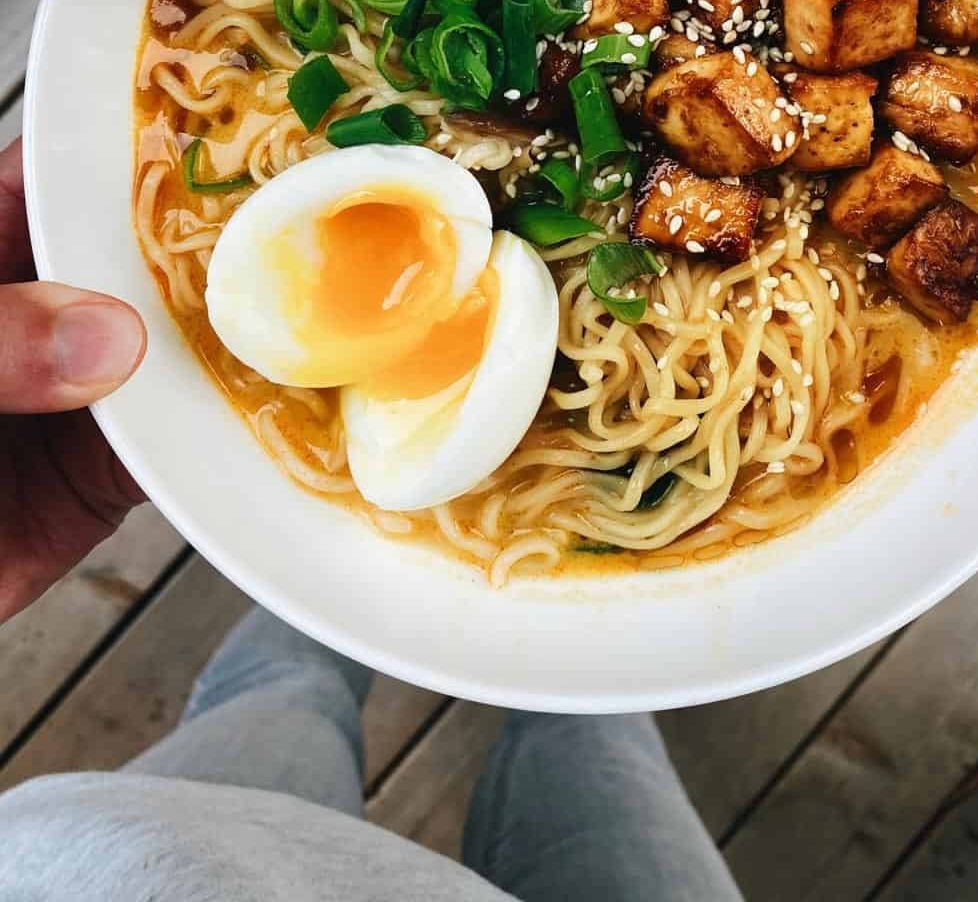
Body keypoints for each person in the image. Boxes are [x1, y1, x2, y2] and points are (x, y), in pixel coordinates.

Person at [0, 138, 744, 902]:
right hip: (130, 849)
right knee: (608, 765)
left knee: (275, 700)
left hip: (111, 855)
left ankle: (338, 644)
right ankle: (574, 696)